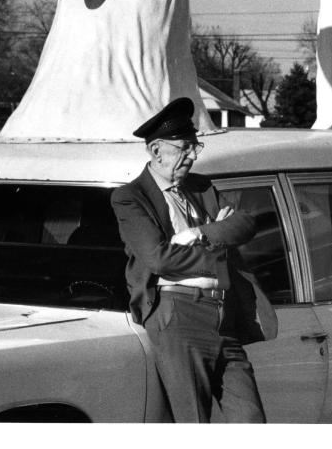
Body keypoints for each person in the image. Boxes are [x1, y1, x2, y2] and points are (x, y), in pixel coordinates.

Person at [111, 97, 277, 423]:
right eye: (183, 148)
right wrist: (216, 236)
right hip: (178, 316)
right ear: (156, 151)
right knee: (193, 423)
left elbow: (244, 223)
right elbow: (159, 259)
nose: (191, 156)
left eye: (194, 147)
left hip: (224, 315)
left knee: (251, 421)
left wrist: (197, 235)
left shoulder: (201, 187)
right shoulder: (130, 197)